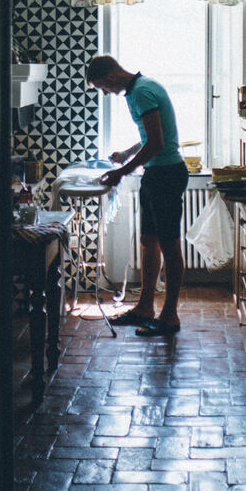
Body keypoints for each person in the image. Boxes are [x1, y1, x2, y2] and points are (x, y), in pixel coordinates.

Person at [85, 55, 188, 335]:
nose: (105, 93)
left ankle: (169, 317)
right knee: (148, 241)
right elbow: (150, 135)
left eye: (101, 88)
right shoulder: (140, 88)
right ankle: (145, 307)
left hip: (166, 174)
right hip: (157, 174)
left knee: (169, 246)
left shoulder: (141, 92)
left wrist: (122, 172)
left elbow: (156, 143)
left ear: (109, 78)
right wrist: (126, 155)